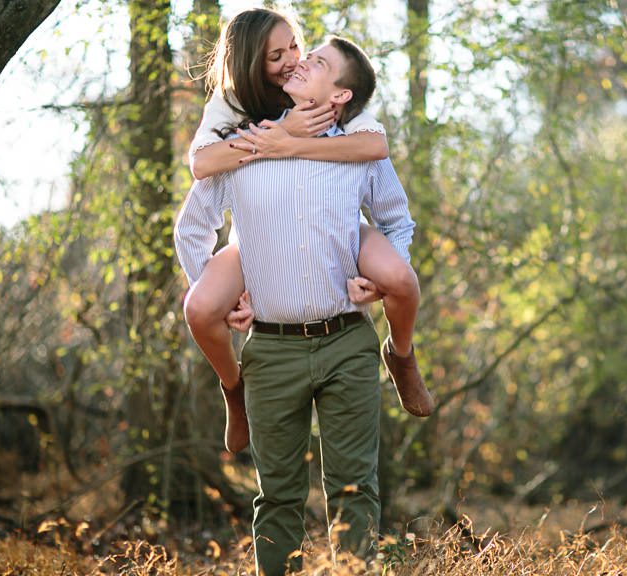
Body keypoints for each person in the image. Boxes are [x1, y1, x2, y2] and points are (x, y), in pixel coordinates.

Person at [175, 35, 410, 573]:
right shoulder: (245, 143)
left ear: (340, 95)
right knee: (277, 497)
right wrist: (219, 287)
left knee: (355, 489)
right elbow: (193, 227)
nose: (299, 62)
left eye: (314, 60)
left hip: (349, 340)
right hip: (272, 351)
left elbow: (396, 219)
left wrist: (381, 275)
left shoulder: (357, 148)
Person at [183, 9, 433, 455]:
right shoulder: (232, 106)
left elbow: (375, 147)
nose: (293, 59)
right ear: (250, 68)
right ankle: (233, 388)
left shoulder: (333, 96)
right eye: (275, 56)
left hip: (338, 226)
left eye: (295, 46)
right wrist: (273, 135)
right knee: (199, 308)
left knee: (400, 278)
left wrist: (294, 142)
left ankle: (401, 354)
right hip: (256, 238)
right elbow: (200, 167)